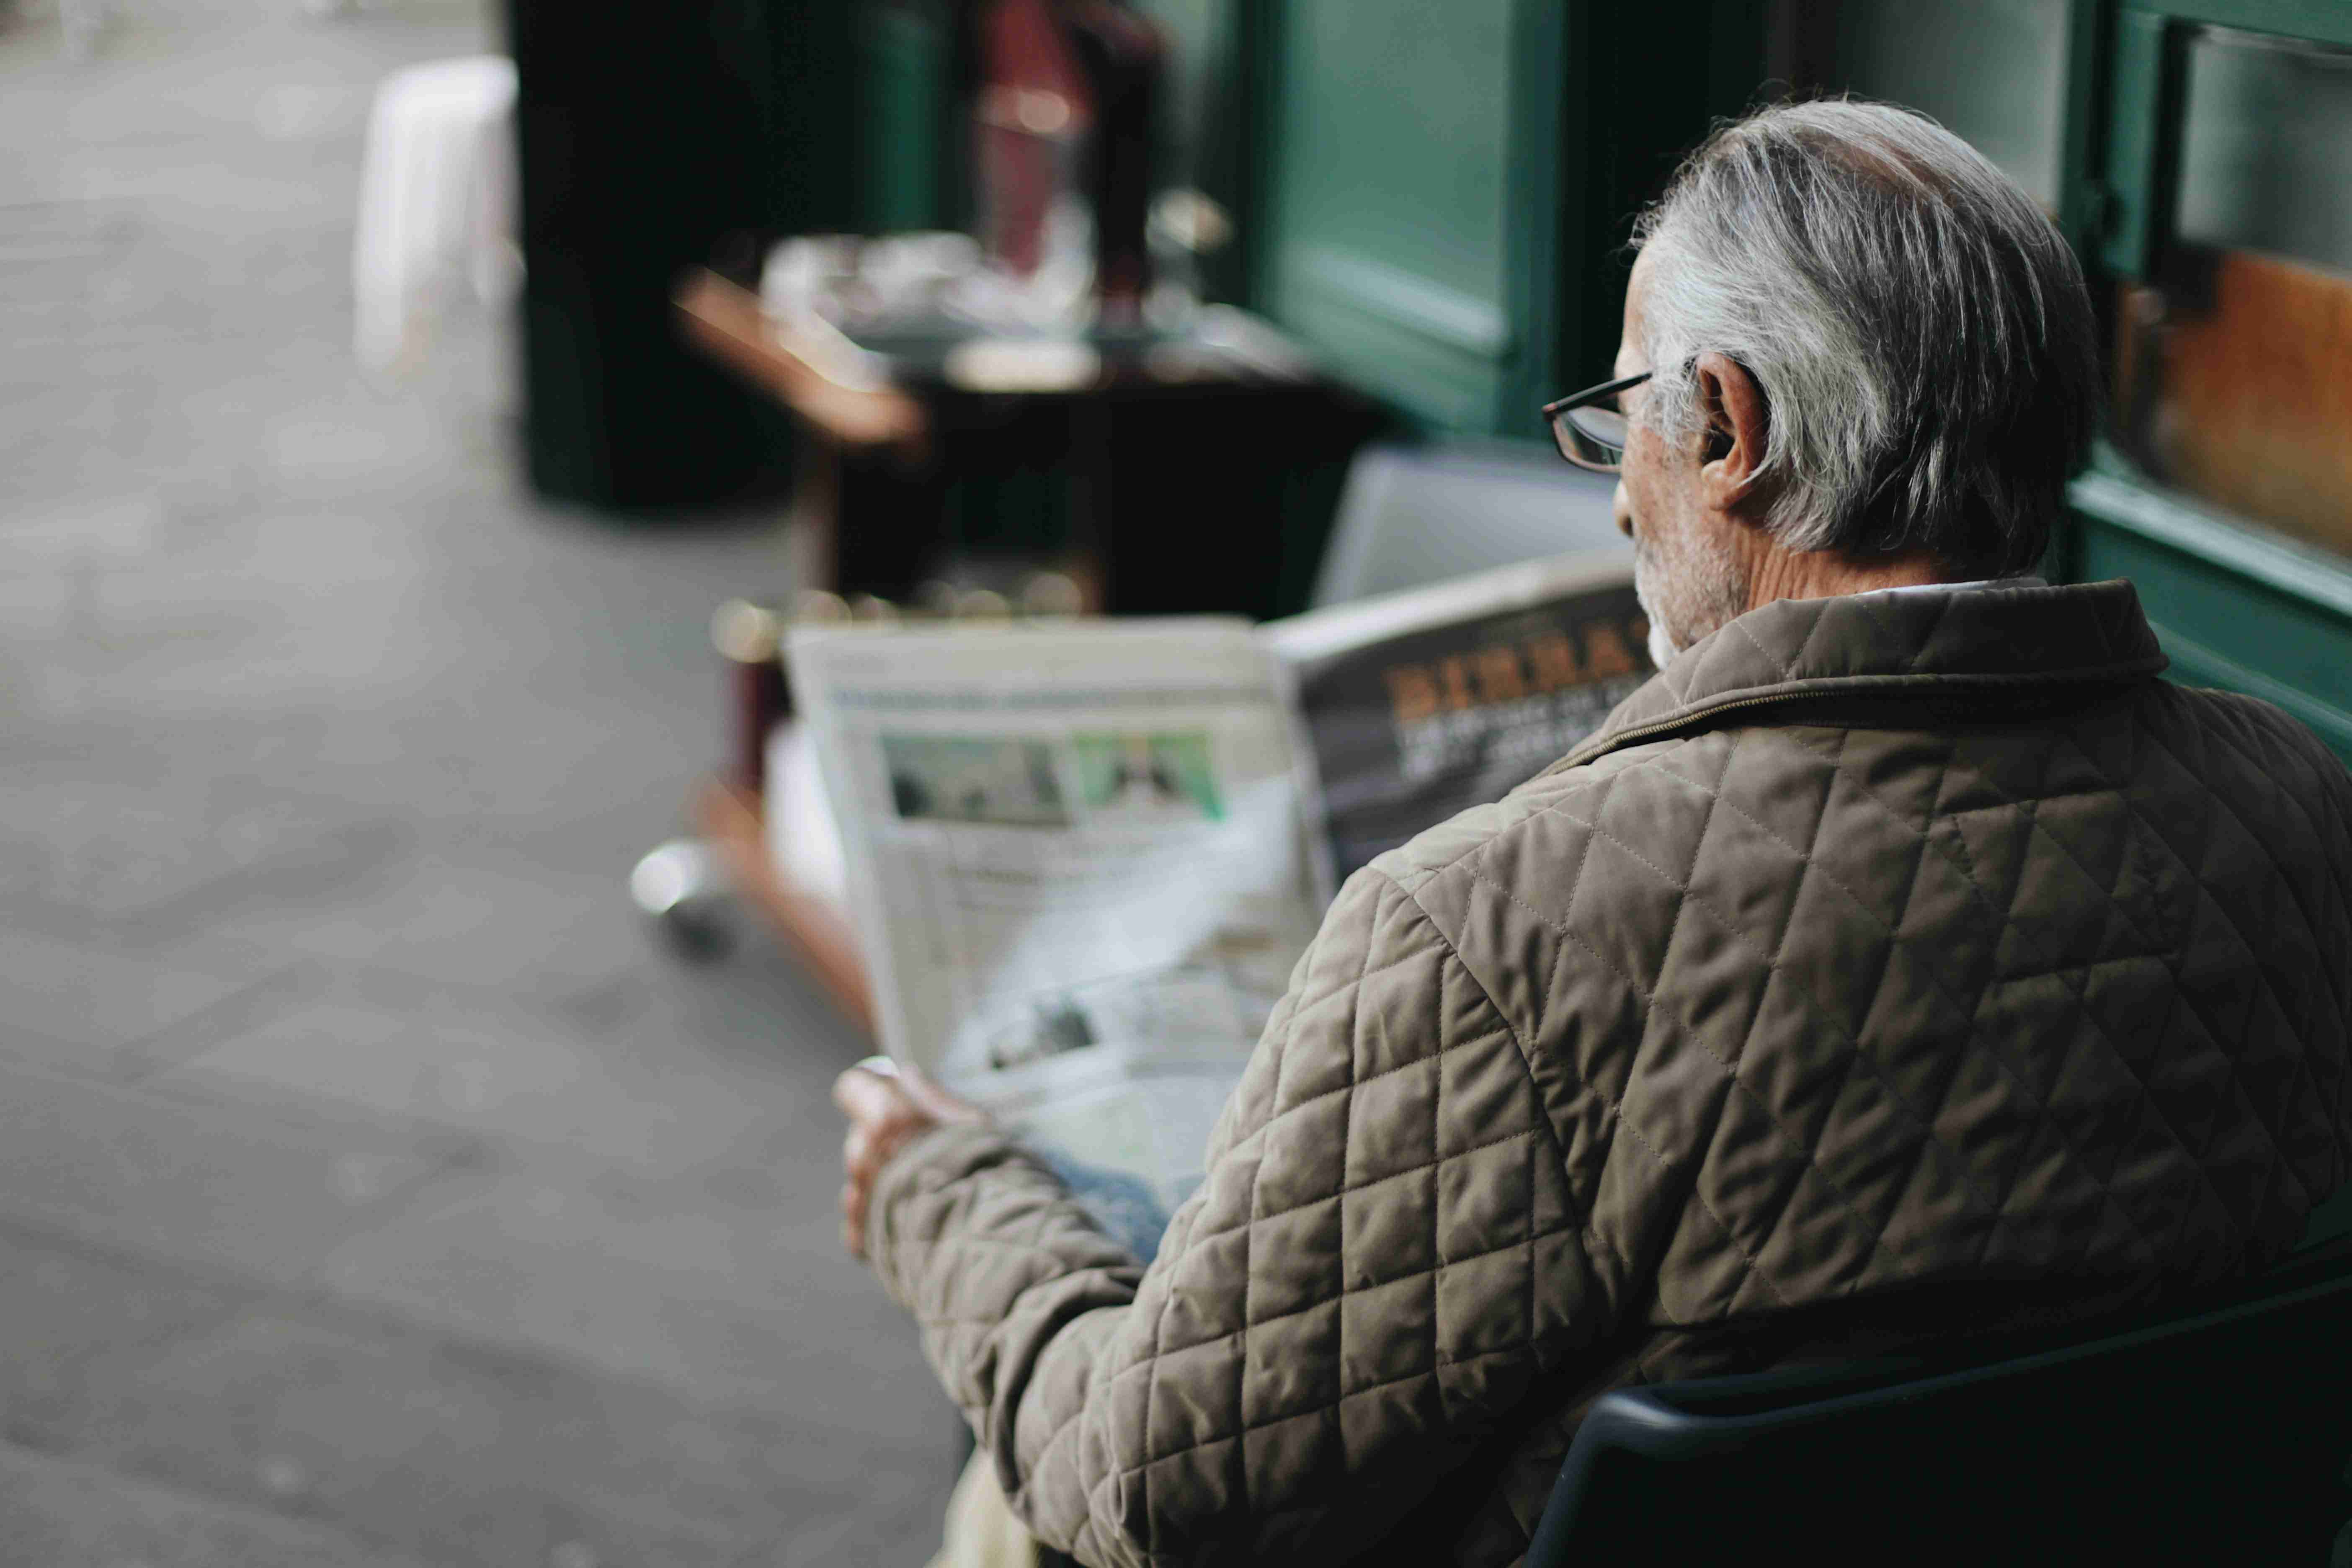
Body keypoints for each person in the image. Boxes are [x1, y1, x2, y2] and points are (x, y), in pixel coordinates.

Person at [830, 99, 2352, 1568]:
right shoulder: (2299, 803)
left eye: (1626, 410)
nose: (1621, 504)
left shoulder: (1496, 931)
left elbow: (1159, 1497)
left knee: (1025, 1484)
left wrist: (938, 1193)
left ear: (1730, 426)